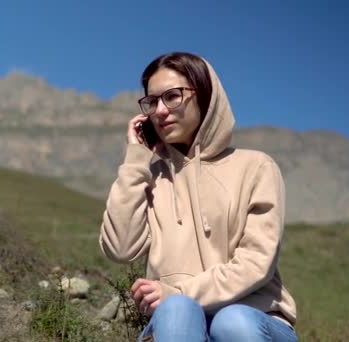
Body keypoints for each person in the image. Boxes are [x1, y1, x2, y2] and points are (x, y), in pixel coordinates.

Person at [99, 52, 298, 341]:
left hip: (255, 320)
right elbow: (119, 249)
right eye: (152, 101)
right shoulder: (148, 177)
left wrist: (178, 291)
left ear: (204, 95)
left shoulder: (256, 167)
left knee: (231, 321)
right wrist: (135, 161)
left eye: (172, 96)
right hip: (178, 325)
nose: (160, 111)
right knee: (177, 310)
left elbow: (257, 261)